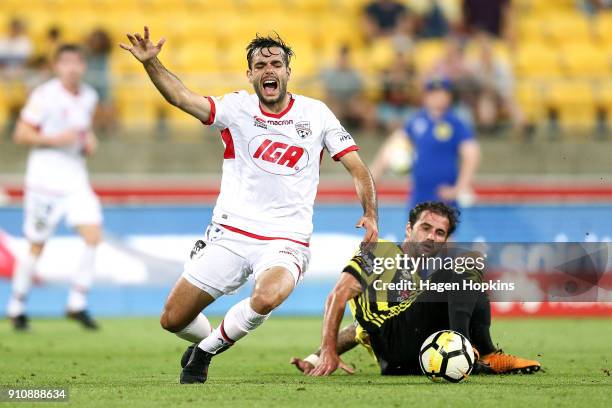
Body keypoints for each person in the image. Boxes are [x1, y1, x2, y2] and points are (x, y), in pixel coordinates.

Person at [120, 28, 378, 384]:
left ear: (288, 71)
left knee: (268, 295)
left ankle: (205, 352)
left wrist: (370, 214)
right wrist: (152, 64)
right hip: (230, 234)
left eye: (276, 63)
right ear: (250, 74)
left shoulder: (316, 114)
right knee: (172, 320)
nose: (268, 69)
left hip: (286, 238)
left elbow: (358, 168)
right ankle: (211, 337)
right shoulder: (236, 107)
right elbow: (182, 98)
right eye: (260, 65)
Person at [290, 201, 541, 376]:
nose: (432, 236)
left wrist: (314, 358)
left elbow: (356, 329)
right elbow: (338, 295)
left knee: (467, 272)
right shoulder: (380, 251)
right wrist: (327, 352)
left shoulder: (420, 285)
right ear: (409, 229)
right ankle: (481, 354)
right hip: (392, 347)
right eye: (425, 228)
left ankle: (471, 356)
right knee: (462, 268)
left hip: (411, 358)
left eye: (440, 232)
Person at [6, 44, 102, 331]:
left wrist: (88, 142)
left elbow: (85, 132)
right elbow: (21, 134)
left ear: (83, 66)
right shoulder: (44, 95)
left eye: (77, 62)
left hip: (75, 178)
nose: (72, 68)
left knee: (93, 234)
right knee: (37, 244)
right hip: (44, 182)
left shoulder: (89, 96)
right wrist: (55, 138)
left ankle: (76, 303)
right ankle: (17, 306)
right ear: (57, 66)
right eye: (66, 62)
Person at [370, 77, 480, 210]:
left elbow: (472, 155)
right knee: (415, 229)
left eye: (441, 92)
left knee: (441, 229)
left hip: (444, 198)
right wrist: (372, 178)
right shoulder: (416, 121)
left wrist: (458, 189)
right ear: (426, 96)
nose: (436, 97)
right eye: (432, 93)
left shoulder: (456, 124)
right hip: (419, 195)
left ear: (449, 96)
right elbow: (392, 146)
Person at [321, 45, 377, 131]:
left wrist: (354, 101)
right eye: (342, 58)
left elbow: (360, 92)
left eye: (345, 58)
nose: (343, 61)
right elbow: (328, 94)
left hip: (351, 103)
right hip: (336, 103)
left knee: (368, 113)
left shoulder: (355, 74)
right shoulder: (330, 74)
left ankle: (368, 137)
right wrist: (336, 102)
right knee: (332, 112)